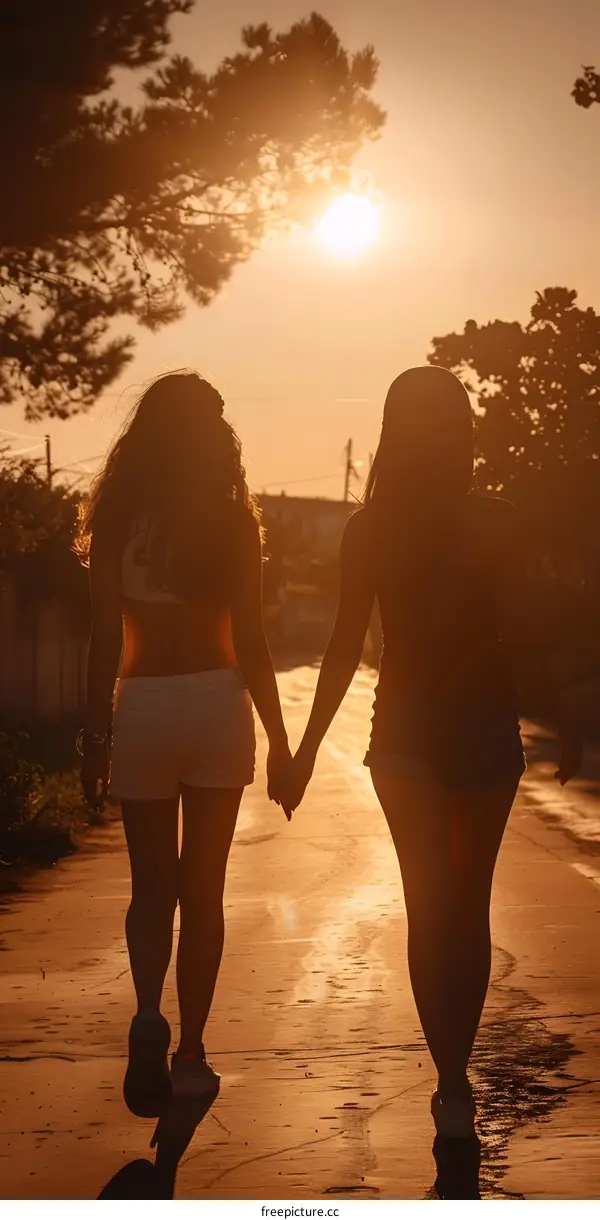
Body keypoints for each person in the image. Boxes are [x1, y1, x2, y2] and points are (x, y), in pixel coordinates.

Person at [275, 365, 584, 1140]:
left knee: (429, 905)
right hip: (481, 727)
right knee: (467, 907)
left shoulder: (370, 529)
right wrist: (569, 712)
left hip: (408, 732)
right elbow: (528, 629)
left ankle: (450, 1084)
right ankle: (455, 1082)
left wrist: (306, 751)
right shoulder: (495, 520)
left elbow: (343, 645)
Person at [77, 370, 291, 1117]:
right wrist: (282, 742)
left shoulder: (118, 519)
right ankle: (192, 1052)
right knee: (204, 890)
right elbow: (253, 643)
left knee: (151, 888)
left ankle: (146, 1014)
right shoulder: (233, 525)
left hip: (144, 708)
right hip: (215, 706)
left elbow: (105, 639)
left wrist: (95, 737)